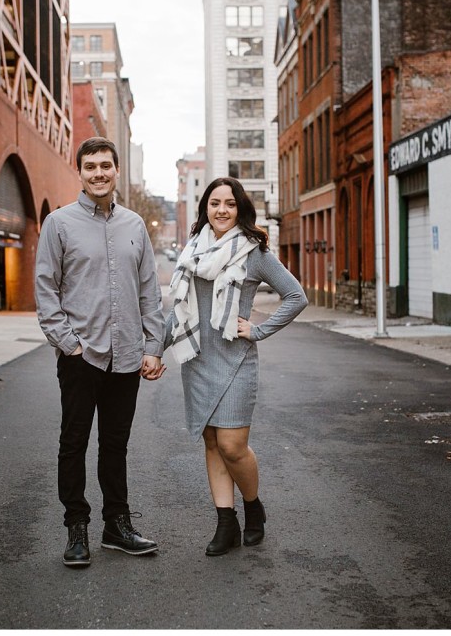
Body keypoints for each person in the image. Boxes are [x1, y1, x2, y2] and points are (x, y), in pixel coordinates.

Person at [35, 137, 166, 568]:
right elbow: (46, 290)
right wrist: (68, 344)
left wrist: (152, 346)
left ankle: (117, 525)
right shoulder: (58, 224)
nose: (98, 173)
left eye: (105, 166)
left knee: (115, 445)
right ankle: (77, 527)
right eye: (90, 166)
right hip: (81, 355)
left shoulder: (135, 226)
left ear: (116, 170)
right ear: (81, 172)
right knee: (72, 444)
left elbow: (150, 291)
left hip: (127, 356)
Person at [165, 177, 307, 556]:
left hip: (236, 361)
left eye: (229, 203)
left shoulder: (253, 252)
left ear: (240, 209)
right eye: (214, 203)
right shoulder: (192, 251)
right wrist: (153, 349)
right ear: (205, 209)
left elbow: (296, 296)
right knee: (212, 442)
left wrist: (258, 330)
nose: (222, 210)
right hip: (198, 360)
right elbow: (178, 312)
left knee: (232, 445)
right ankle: (225, 523)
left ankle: (253, 506)